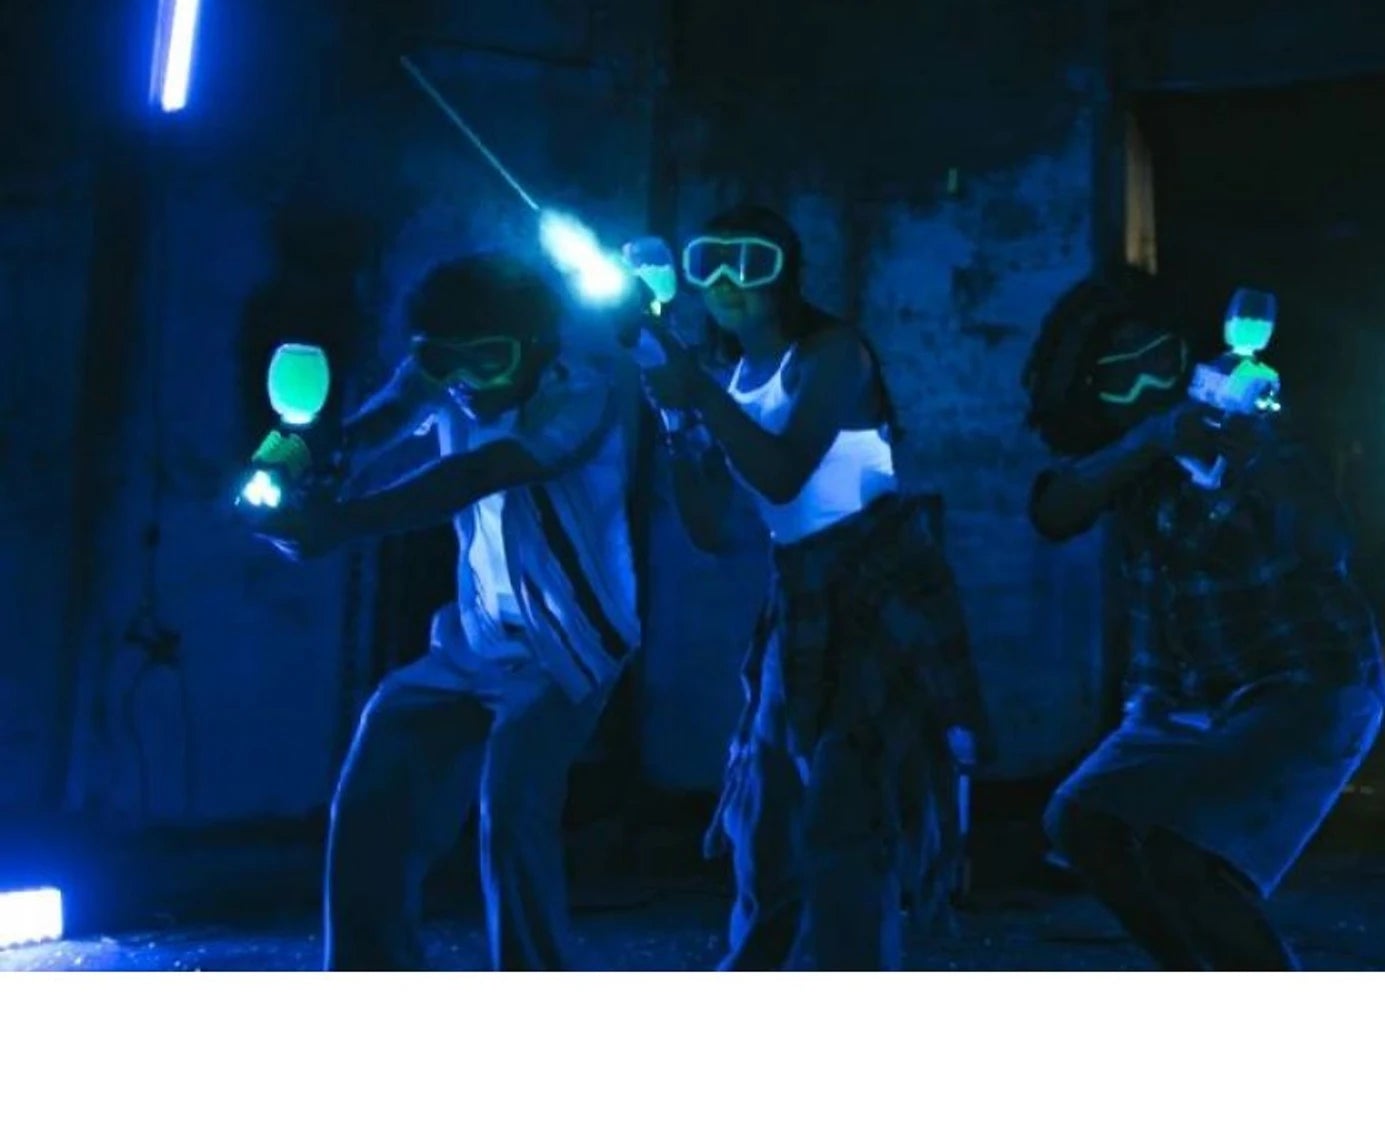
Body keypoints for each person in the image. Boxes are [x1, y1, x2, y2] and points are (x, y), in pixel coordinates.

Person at [252, 250, 639, 970]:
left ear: (535, 348)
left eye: (488, 360)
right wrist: (319, 459)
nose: (464, 381)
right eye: (442, 360)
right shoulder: (442, 378)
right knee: (373, 791)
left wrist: (340, 523)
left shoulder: (581, 390)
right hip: (475, 641)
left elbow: (475, 473)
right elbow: (385, 419)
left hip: (569, 644)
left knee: (512, 813)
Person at [639, 204, 988, 970]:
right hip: (797, 597)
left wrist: (698, 397)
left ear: (786, 273)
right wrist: (675, 422)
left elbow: (783, 473)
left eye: (750, 261)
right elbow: (713, 529)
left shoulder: (834, 355)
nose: (727, 280)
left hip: (877, 589)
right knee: (765, 818)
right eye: (709, 263)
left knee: (844, 818)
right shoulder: (733, 379)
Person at [1020, 268, 1385, 969]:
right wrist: (1152, 439)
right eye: (1120, 377)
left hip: (1304, 684)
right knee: (1083, 822)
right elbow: (1052, 510)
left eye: (1160, 363)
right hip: (1179, 705)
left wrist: (1258, 455)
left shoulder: (1255, 433)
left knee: (1188, 860)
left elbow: (1329, 542)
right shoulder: (1126, 456)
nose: (1146, 387)